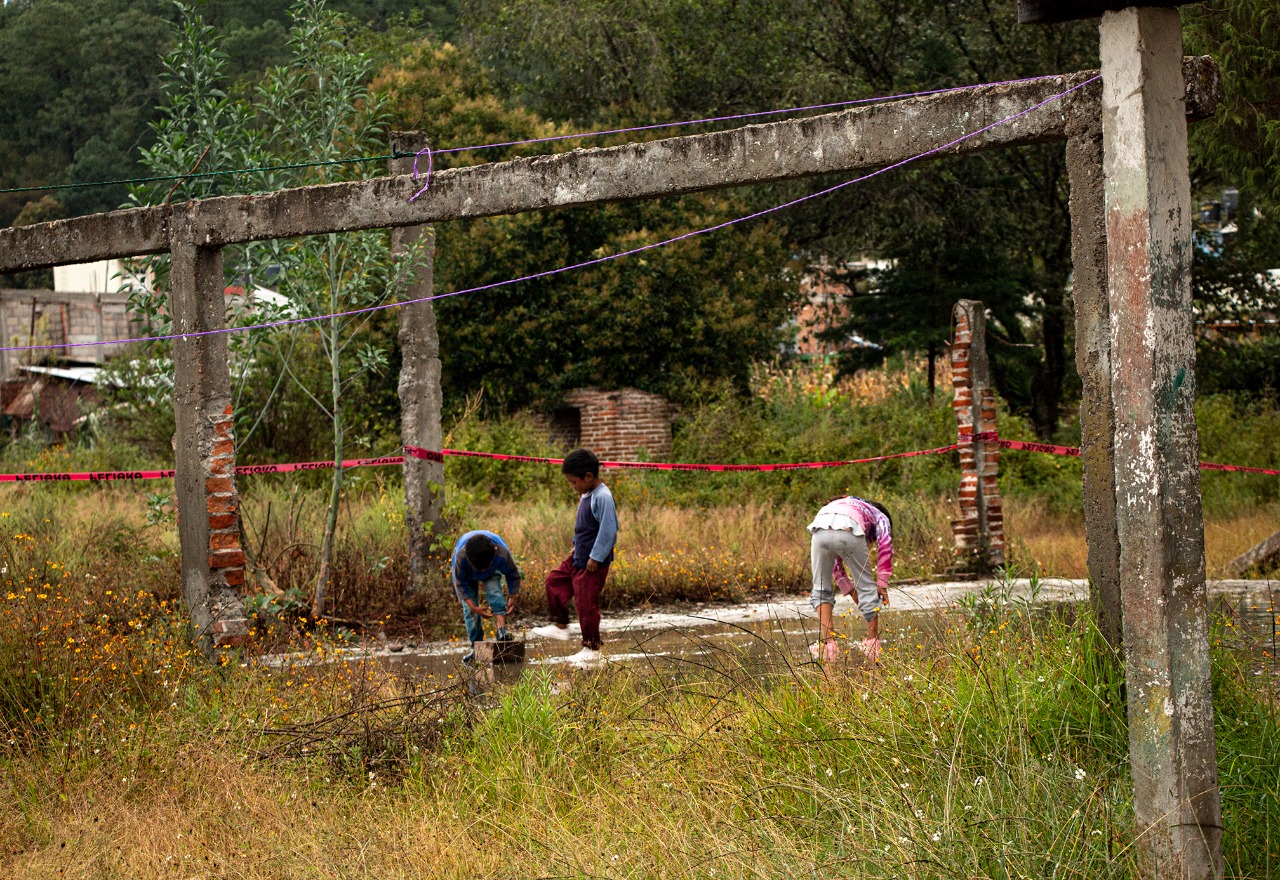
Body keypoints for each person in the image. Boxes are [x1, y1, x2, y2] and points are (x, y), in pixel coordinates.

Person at [530, 448, 618, 667]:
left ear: (588, 476)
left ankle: (592, 649)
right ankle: (560, 625)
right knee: (554, 581)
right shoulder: (586, 494)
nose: (573, 487)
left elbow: (609, 531)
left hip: (592, 564)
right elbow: (583, 528)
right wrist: (574, 546)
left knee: (585, 603)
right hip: (578, 556)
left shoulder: (603, 496)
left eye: (573, 482)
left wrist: (596, 558)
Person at [807, 496, 893, 662]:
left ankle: (829, 645)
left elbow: (836, 566)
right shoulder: (880, 516)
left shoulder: (846, 504)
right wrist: (882, 583)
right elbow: (885, 545)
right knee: (866, 585)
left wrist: (850, 590)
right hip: (850, 527)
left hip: (820, 526)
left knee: (821, 588)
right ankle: (872, 642)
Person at [451, 530, 523, 666]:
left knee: (495, 591)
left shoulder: (500, 551)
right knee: (470, 613)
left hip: (492, 567)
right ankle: (475, 647)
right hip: (468, 575)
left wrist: (513, 596)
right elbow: (460, 584)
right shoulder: (461, 556)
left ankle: (502, 630)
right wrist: (474, 607)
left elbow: (513, 574)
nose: (481, 573)